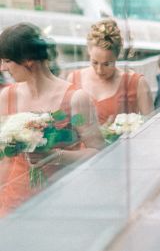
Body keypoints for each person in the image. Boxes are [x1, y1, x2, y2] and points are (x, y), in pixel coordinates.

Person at [0, 23, 105, 215]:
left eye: (7, 61)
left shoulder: (75, 99)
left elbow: (100, 152)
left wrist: (57, 156)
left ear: (27, 61)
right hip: (11, 204)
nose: (3, 67)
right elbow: (4, 161)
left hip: (59, 204)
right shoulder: (7, 97)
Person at [68, 19, 153, 125]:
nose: (99, 70)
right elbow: (66, 124)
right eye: (95, 62)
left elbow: (150, 131)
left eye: (107, 64)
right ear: (89, 52)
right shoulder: (74, 79)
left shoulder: (137, 83)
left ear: (117, 56)